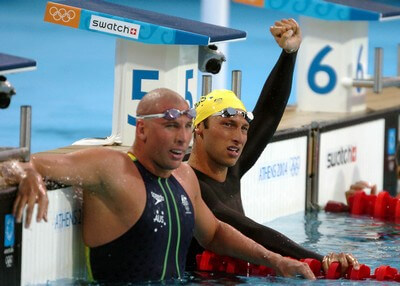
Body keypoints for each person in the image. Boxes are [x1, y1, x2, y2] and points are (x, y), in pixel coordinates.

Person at [1, 88, 316, 283]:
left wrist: (276, 260)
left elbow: (215, 233)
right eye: (169, 126)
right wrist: (27, 174)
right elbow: (20, 163)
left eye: (185, 127)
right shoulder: (112, 169)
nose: (182, 137)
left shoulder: (184, 177)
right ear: (141, 130)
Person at [187, 18, 359, 275]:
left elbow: (269, 113)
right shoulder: (188, 183)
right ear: (198, 129)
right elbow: (248, 229)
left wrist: (289, 53)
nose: (238, 136)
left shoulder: (230, 166)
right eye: (227, 124)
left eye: (244, 128)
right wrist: (319, 260)